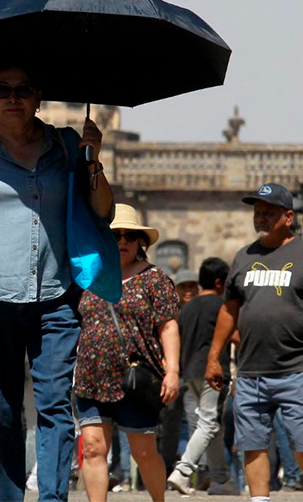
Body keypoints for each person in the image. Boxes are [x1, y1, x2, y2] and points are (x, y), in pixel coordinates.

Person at [0, 64, 114, 502]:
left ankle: (52, 498)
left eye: (23, 90)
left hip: (56, 298)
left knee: (53, 406)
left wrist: (92, 161)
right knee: (2, 412)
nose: (13, 97)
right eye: (3, 89)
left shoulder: (68, 145)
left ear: (38, 98)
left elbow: (104, 212)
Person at [206, 182, 303, 502]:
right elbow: (229, 310)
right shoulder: (243, 258)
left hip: (299, 368)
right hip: (251, 370)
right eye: (257, 213)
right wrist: (215, 356)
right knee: (253, 445)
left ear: (289, 217)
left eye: (269, 213)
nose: (261, 218)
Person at [73, 204, 179, 502]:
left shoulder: (154, 279)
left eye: (129, 236)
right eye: (115, 235)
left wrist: (172, 371)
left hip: (134, 379)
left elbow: (168, 326)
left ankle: (159, 500)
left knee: (143, 451)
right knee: (93, 448)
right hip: (91, 377)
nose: (122, 241)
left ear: (139, 242)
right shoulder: (88, 277)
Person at [167, 257, 237, 496]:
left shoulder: (186, 308)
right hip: (214, 373)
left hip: (191, 373)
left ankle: (220, 479)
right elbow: (237, 337)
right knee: (209, 423)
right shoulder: (222, 305)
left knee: (211, 425)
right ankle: (183, 471)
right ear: (220, 282)